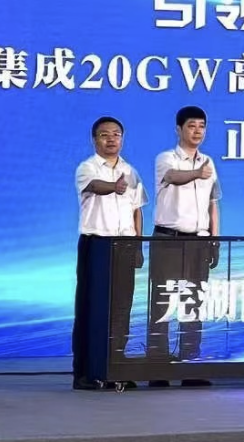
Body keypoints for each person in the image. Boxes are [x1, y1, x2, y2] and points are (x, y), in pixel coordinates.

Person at [147, 105, 219, 388]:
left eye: (202, 126)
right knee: (163, 302)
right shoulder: (166, 158)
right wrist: (197, 173)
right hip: (168, 239)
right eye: (191, 126)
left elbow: (213, 203)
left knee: (194, 302)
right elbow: (173, 177)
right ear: (179, 129)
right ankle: (157, 365)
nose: (197, 131)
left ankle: (191, 361)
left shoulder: (209, 162)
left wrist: (214, 238)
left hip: (198, 241)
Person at [72, 116, 146, 391]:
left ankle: (115, 367)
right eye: (105, 134)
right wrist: (114, 187)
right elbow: (95, 186)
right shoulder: (87, 167)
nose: (111, 139)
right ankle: (86, 372)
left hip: (124, 245)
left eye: (116, 134)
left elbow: (137, 211)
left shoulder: (131, 171)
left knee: (121, 308)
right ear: (95, 140)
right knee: (92, 308)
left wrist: (138, 245)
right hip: (97, 245)